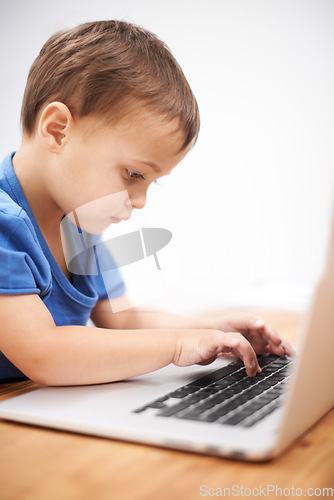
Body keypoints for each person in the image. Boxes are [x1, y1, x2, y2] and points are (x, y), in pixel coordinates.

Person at [0, 20, 294, 385]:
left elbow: (123, 320)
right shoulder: (4, 223)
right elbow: (44, 353)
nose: (139, 202)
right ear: (58, 129)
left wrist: (210, 331)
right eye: (134, 174)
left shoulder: (77, 221)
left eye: (151, 184)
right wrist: (174, 347)